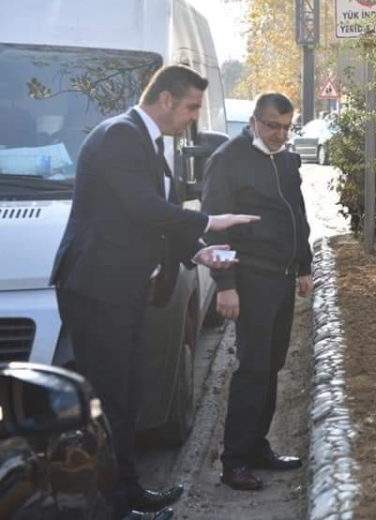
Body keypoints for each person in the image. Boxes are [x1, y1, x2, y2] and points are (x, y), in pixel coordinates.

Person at [51, 64, 260, 520]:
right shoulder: (120, 136)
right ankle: (111, 507)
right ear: (165, 99)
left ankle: (128, 492)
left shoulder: (145, 139)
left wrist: (200, 251)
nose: (194, 117)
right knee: (108, 401)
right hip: (98, 290)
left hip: (123, 290)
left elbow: (160, 215)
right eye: (191, 107)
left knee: (127, 397)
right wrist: (211, 221)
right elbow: (143, 209)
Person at [201, 92, 313, 491]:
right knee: (252, 369)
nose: (280, 134)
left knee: (272, 365)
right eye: (271, 126)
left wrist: (304, 266)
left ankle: (257, 447)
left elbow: (297, 214)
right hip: (250, 280)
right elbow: (215, 228)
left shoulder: (285, 159)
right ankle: (234, 462)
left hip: (283, 278)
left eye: (286, 127)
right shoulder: (227, 160)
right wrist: (226, 285)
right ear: (253, 122)